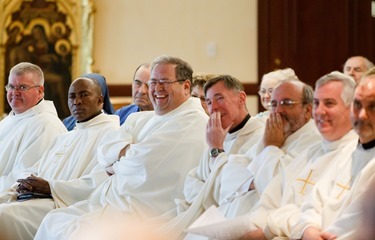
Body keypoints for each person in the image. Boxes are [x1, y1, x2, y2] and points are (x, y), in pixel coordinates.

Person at [34, 55, 208, 239]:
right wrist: (123, 155)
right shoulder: (142, 117)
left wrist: (117, 162)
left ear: (186, 86)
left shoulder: (191, 122)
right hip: (114, 200)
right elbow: (105, 149)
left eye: (164, 82)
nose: (156, 89)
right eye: (153, 82)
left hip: (146, 210)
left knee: (78, 232)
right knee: (54, 220)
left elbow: (139, 165)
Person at [238, 71, 357, 240]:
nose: (320, 111)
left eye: (329, 103)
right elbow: (269, 202)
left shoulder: (356, 156)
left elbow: (326, 221)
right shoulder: (311, 153)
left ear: (352, 108)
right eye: (317, 103)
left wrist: (274, 227)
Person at [0, 75, 120, 240]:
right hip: (36, 199)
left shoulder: (112, 134)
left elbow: (100, 183)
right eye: (72, 96)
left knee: (3, 216)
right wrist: (24, 184)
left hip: (62, 205)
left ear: (100, 100)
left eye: (84, 95)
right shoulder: (65, 137)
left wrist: (51, 187)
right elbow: (36, 168)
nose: (77, 101)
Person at [290, 67, 375, 240]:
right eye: (357, 104)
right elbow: (313, 202)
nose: (363, 115)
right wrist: (308, 229)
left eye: (373, 106)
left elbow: (357, 226)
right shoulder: (348, 151)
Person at [0, 62, 66, 192]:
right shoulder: (9, 119)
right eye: (11, 86)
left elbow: (26, 176)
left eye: (23, 87)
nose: (15, 92)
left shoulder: (46, 124)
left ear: (40, 92)